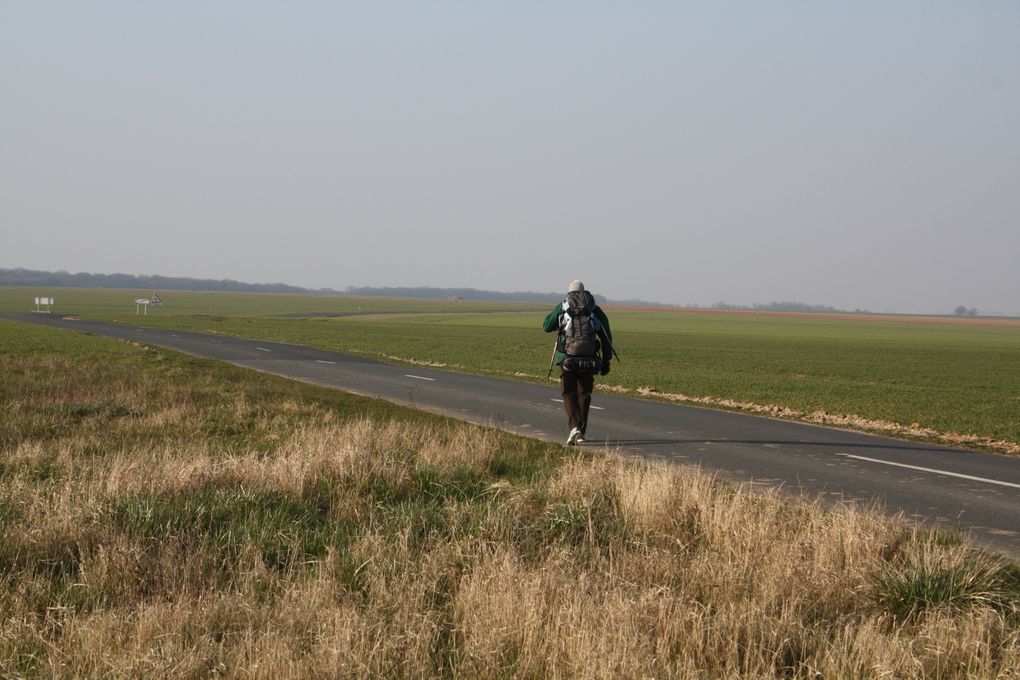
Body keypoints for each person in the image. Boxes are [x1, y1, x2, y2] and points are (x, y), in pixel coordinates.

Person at [543, 280, 614, 445]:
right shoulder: (594, 309)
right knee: (584, 393)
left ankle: (574, 426)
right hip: (589, 359)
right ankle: (581, 433)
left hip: (567, 358)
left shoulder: (563, 306)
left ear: (569, 293)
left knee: (568, 393)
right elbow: (606, 336)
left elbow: (547, 326)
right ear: (584, 292)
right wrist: (607, 360)